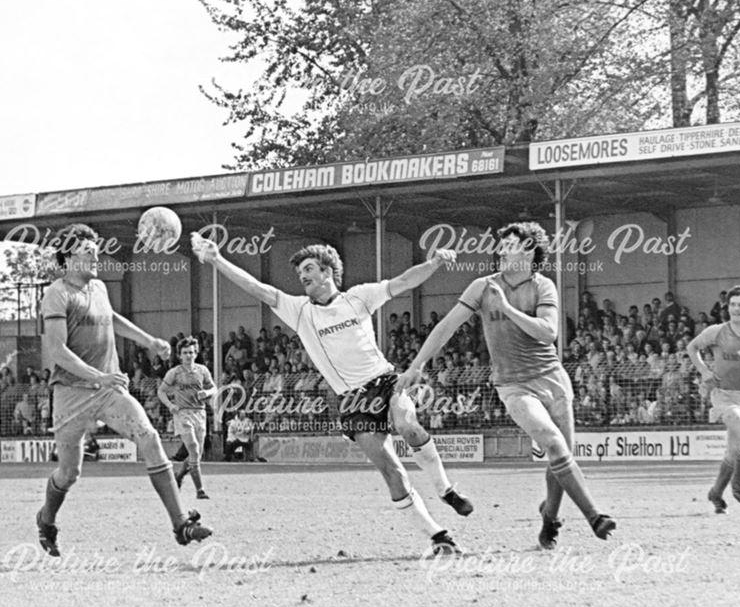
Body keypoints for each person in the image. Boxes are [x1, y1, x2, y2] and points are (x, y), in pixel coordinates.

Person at [192, 232, 471, 555]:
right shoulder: (299, 311)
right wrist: (216, 259)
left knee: (408, 426)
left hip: (383, 380)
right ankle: (437, 536)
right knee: (391, 469)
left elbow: (404, 282)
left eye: (309, 269)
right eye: (300, 274)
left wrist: (434, 262)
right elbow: (259, 289)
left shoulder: (358, 297)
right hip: (352, 400)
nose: (303, 277)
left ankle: (445, 489)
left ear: (327, 271)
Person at [400, 221, 615, 550]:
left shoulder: (544, 286)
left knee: (561, 457)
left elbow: (548, 333)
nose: (501, 250)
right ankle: (595, 516)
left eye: (510, 244)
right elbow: (445, 328)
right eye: (500, 245)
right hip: (514, 386)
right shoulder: (481, 287)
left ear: (529, 249)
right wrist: (417, 364)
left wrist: (507, 309)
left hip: (553, 380)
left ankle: (550, 517)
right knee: (555, 445)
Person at [35, 223, 212, 557]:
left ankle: (181, 524)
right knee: (69, 473)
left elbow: (110, 318)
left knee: (149, 437)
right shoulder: (56, 294)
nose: (95, 255)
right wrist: (98, 377)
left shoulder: (99, 288)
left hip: (108, 390)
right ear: (69, 257)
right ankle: (46, 520)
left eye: (96, 250)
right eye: (88, 250)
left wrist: (149, 340)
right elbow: (58, 351)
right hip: (71, 394)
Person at [686, 285, 740, 513]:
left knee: (734, 450)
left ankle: (716, 494)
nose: (736, 309)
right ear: (728, 307)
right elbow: (692, 347)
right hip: (723, 395)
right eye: (733, 304)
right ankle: (738, 482)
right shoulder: (717, 331)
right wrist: (705, 372)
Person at [158, 336, 216, 499]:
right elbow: (161, 391)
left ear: (196, 353)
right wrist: (170, 405)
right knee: (193, 448)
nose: (188, 355)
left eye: (191, 352)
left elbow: (214, 388)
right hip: (182, 414)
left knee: (196, 455)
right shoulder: (174, 373)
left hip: (200, 413)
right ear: (179, 355)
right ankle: (200, 490)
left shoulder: (202, 371)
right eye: (185, 353)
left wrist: (208, 392)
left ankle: (180, 475)